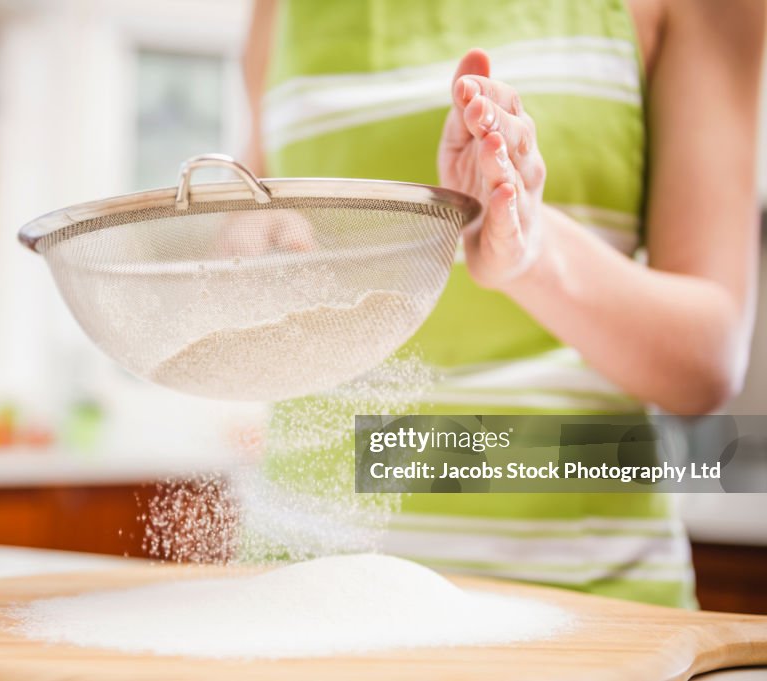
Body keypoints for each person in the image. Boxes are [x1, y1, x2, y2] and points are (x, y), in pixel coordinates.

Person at [242, 0, 764, 607]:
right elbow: (261, 209)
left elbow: (708, 357)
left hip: (576, 600)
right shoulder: (274, 11)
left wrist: (532, 254)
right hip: (302, 583)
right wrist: (247, 245)